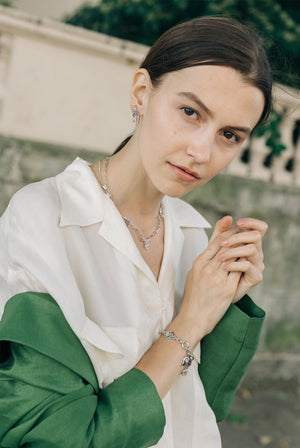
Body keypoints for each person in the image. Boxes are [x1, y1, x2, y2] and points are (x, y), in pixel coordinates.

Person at [0, 16, 271, 448]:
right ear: (142, 93)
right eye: (189, 112)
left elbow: (202, 405)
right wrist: (189, 323)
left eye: (229, 135)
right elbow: (52, 436)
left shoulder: (194, 235)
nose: (201, 152)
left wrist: (223, 304)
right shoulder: (45, 218)